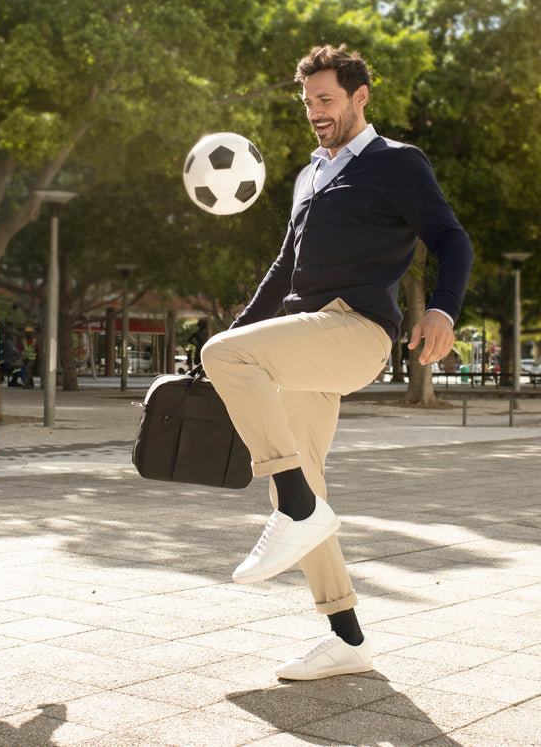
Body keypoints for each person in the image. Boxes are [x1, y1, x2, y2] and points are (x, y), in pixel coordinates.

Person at [200, 44, 474, 682]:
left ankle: (295, 507)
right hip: (305, 339)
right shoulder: (309, 174)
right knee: (303, 478)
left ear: (359, 97)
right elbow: (281, 273)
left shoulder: (396, 163)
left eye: (326, 100)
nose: (315, 112)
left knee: (227, 362)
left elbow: (450, 238)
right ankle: (345, 636)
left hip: (355, 331)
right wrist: (243, 333)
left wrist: (443, 309)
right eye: (307, 103)